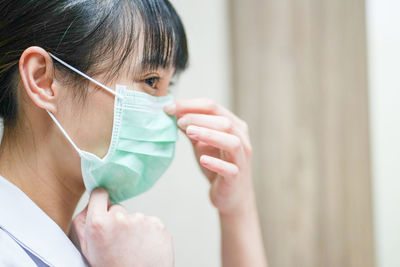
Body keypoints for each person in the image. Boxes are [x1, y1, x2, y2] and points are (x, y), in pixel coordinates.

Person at [0, 0, 267, 266]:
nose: (167, 112)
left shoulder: (93, 245)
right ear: (43, 80)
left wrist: (236, 206)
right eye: (151, 81)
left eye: (168, 85)